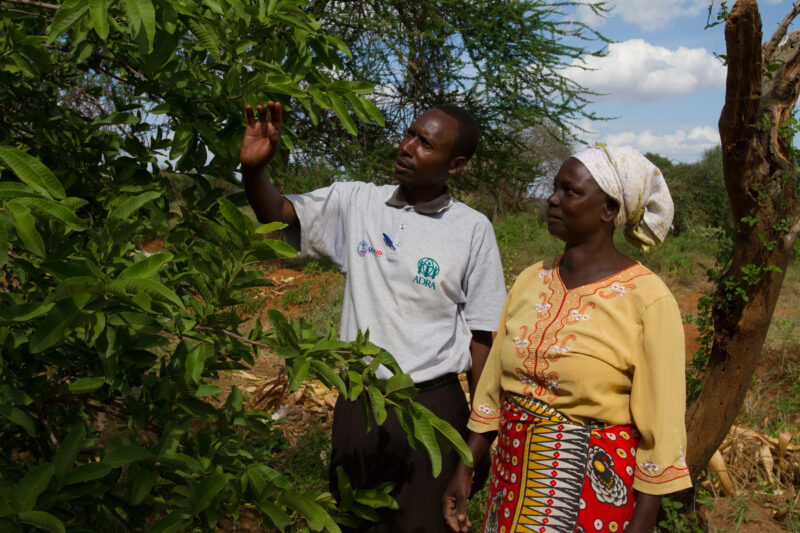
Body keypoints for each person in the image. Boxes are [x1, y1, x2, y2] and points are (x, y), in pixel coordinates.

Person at [240, 102, 507, 532]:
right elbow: (278, 214)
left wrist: (478, 439)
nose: (406, 147)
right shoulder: (356, 201)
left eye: (425, 143)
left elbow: (484, 340)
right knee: (355, 521)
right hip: (359, 404)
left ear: (455, 165)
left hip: (432, 409)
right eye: (409, 134)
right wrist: (254, 172)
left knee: (424, 524)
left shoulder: (472, 229)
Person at [443, 144, 692, 533]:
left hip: (591, 491)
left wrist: (642, 522)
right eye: (554, 188)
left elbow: (662, 427)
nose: (552, 200)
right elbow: (492, 391)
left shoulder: (647, 299)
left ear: (608, 210)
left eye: (570, 191)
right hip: (511, 483)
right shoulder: (530, 280)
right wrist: (467, 468)